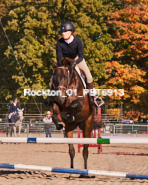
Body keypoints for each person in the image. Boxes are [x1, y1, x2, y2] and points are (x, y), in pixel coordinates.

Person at [56, 21, 96, 107]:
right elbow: (59, 58)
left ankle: (93, 97)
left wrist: (74, 63)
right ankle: (50, 97)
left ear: (71, 32)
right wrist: (64, 63)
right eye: (62, 32)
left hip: (77, 60)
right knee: (55, 75)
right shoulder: (59, 43)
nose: (63, 33)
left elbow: (81, 56)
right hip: (65, 62)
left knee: (89, 77)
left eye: (65, 31)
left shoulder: (77, 41)